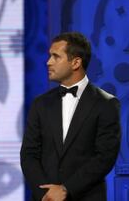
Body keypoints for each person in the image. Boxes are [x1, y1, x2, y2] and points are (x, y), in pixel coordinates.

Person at [20, 32, 121, 201]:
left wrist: (67, 190)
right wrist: (46, 193)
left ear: (76, 62)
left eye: (56, 57)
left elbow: (105, 157)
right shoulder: (40, 104)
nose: (48, 62)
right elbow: (29, 154)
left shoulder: (106, 104)